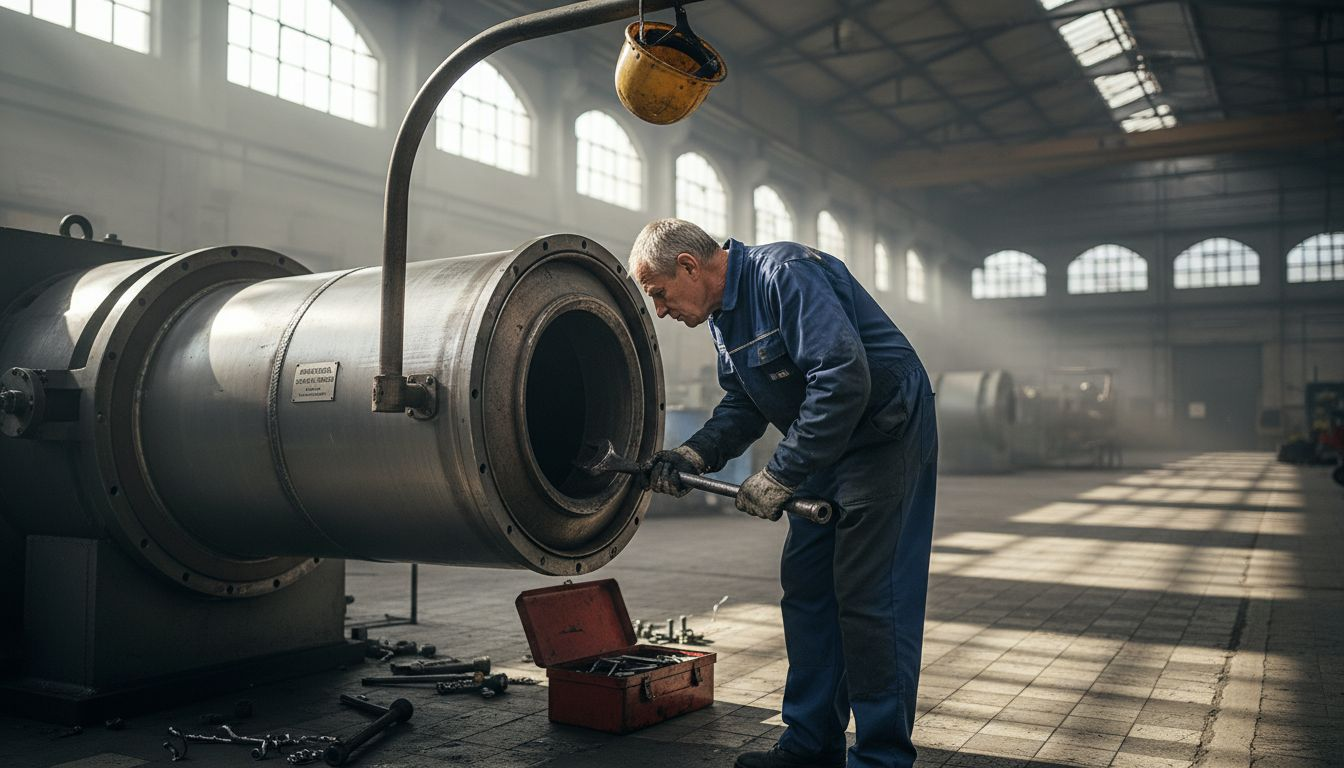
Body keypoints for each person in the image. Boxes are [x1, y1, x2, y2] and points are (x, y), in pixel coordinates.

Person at [629, 219, 938, 768]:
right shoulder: (724, 318)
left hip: (882, 432)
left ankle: (882, 758)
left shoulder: (785, 274)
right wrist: (695, 454)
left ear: (688, 266)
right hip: (822, 439)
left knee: (871, 598)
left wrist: (781, 473)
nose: (660, 310)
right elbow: (745, 402)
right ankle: (810, 746)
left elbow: (843, 375)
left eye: (658, 294)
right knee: (808, 591)